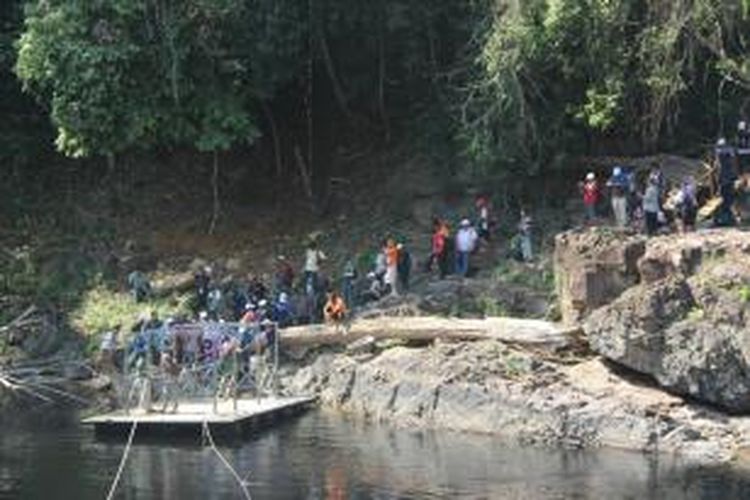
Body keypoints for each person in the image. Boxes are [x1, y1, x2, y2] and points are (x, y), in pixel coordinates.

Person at [715, 137, 738, 227]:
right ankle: (727, 218)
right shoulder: (728, 153)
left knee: (726, 200)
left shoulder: (723, 153)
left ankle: (727, 218)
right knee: (727, 200)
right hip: (727, 180)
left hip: (726, 180)